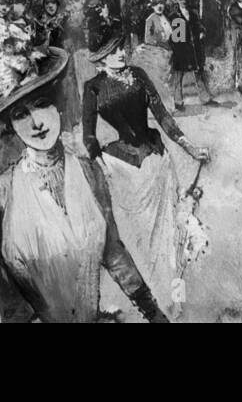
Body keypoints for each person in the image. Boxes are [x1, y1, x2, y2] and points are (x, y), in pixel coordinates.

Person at [0, 47, 169, 323]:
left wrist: (153, 313)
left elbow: (113, 251)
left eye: (41, 104)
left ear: (57, 106)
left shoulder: (89, 172)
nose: (36, 123)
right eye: (20, 115)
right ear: (10, 126)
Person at [82, 36, 209, 314]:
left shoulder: (137, 75)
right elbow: (89, 136)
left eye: (119, 49)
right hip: (121, 170)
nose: (119, 54)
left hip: (155, 160)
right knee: (133, 239)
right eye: (112, 51)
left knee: (166, 236)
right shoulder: (92, 88)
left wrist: (189, 146)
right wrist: (98, 163)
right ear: (100, 58)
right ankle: (143, 304)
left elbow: (162, 115)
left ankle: (169, 296)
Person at [167, 0, 220, 110]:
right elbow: (174, 36)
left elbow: (199, 26)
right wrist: (177, 47)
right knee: (179, 75)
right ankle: (178, 101)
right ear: (177, 1)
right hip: (181, 49)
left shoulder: (193, 13)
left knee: (198, 73)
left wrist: (201, 32)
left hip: (194, 49)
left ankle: (205, 98)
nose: (183, 1)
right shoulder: (174, 16)